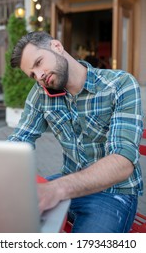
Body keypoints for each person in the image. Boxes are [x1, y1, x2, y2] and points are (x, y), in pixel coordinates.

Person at [8, 31, 143, 233]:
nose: (40, 77)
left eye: (38, 63)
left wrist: (57, 189)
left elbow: (123, 162)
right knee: (5, 220)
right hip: (68, 183)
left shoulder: (120, 85)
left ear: (56, 46)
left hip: (113, 193)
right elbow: (20, 139)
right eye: (32, 75)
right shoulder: (41, 94)